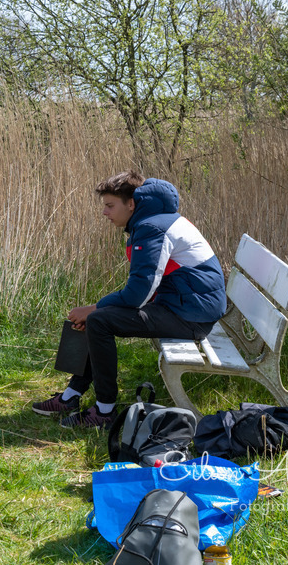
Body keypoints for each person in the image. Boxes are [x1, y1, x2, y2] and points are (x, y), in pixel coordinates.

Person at [32, 170, 226, 428]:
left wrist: (94, 308)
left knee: (99, 319)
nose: (105, 213)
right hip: (186, 307)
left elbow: (138, 294)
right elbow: (147, 287)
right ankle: (71, 396)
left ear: (131, 204)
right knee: (97, 317)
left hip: (191, 317)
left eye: (110, 206)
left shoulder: (152, 228)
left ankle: (103, 413)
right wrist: (95, 309)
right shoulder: (159, 221)